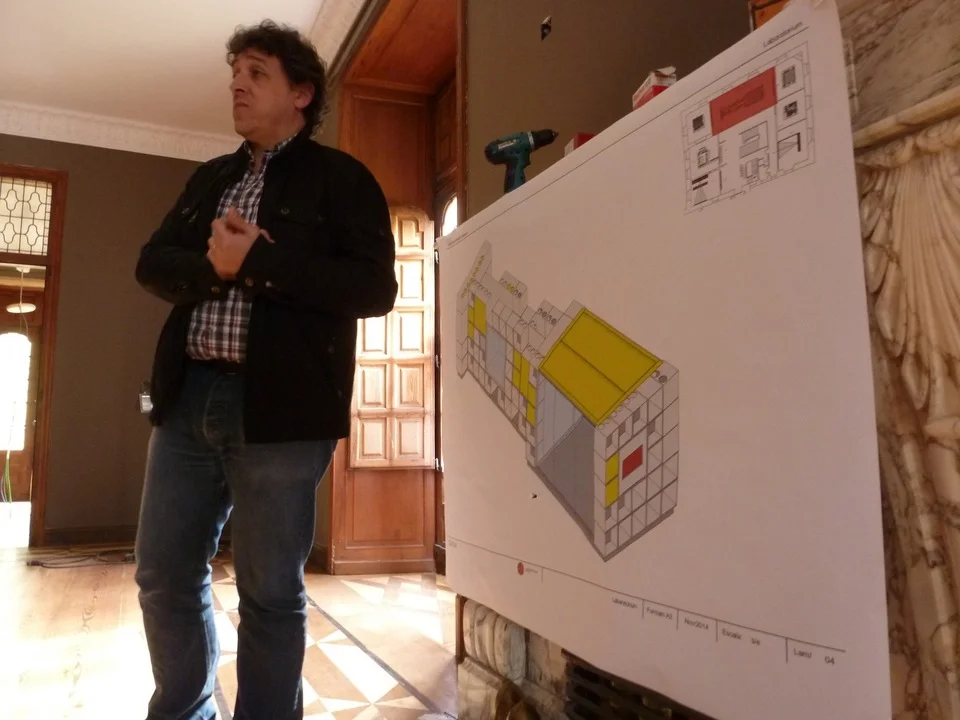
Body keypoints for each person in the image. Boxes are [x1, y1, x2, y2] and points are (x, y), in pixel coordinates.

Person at [133, 20, 397, 720]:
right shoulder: (209, 179)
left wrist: (258, 263)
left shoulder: (344, 180)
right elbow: (152, 263)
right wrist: (217, 269)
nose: (237, 85)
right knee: (161, 575)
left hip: (284, 412)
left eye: (256, 72)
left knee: (271, 593)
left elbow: (374, 289)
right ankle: (183, 710)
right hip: (186, 400)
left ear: (301, 93)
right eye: (235, 73)